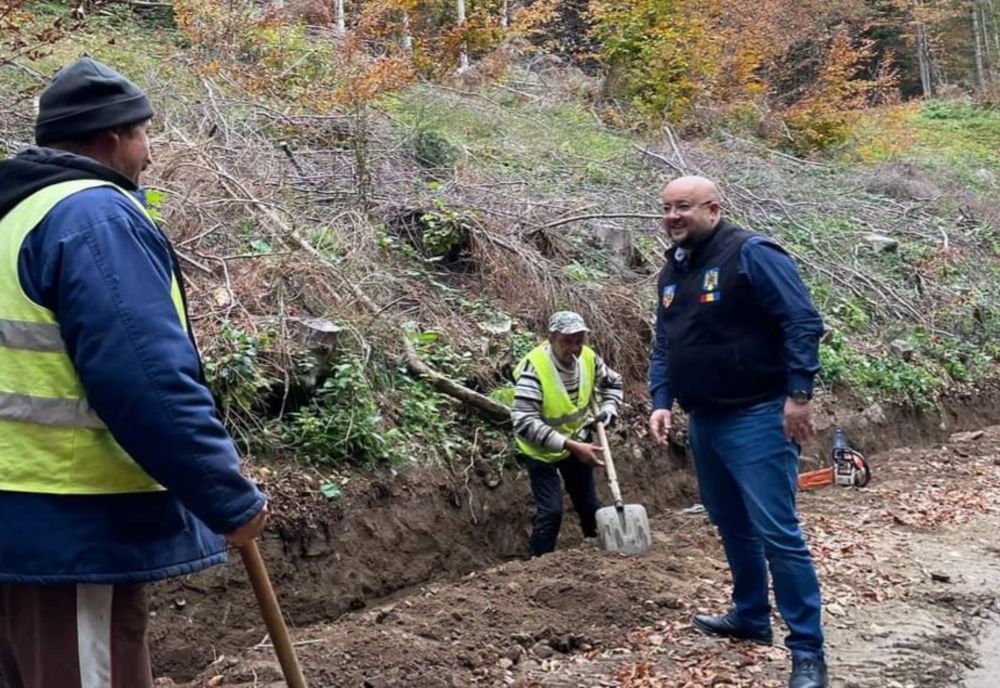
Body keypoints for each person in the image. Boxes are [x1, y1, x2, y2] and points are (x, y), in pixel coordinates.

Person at [0, 58, 268, 687]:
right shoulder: (94, 218)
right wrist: (225, 496)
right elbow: (145, 378)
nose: (149, 153)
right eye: (145, 133)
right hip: (70, 523)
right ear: (114, 136)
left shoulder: (13, 218)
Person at [647, 176, 828, 688]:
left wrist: (798, 395)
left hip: (758, 415)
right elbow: (665, 343)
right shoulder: (672, 270)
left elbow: (801, 321)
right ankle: (750, 616)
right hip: (704, 420)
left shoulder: (752, 253)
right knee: (730, 522)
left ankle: (808, 652)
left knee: (778, 533)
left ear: (713, 209)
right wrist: (661, 401)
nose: (673, 216)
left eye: (683, 207)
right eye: (666, 208)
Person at [512, 311, 624, 556]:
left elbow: (613, 383)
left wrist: (608, 409)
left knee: (589, 506)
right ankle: (537, 567)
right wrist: (570, 446)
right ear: (551, 339)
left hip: (578, 440)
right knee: (551, 512)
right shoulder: (535, 369)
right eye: (566, 341)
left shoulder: (589, 359)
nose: (573, 347)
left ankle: (602, 557)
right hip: (541, 451)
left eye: (579, 340)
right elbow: (523, 421)